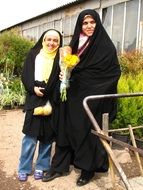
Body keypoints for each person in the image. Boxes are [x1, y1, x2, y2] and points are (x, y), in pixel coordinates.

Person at [42, 9, 121, 186]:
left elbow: (113, 73)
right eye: (85, 23)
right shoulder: (76, 42)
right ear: (80, 25)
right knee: (64, 128)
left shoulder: (105, 46)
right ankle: (59, 166)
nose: (88, 26)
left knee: (87, 131)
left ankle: (88, 169)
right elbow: (67, 64)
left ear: (98, 23)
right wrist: (64, 74)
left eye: (92, 22)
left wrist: (77, 76)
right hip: (71, 96)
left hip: (90, 98)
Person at [18, 29, 62, 181]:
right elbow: (25, 75)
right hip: (34, 96)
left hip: (52, 98)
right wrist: (33, 88)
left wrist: (64, 77)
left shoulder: (61, 58)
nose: (51, 43)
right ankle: (24, 168)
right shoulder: (33, 54)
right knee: (30, 137)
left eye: (55, 40)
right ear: (43, 40)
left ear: (59, 43)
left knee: (47, 138)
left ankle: (41, 167)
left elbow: (62, 79)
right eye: (48, 39)